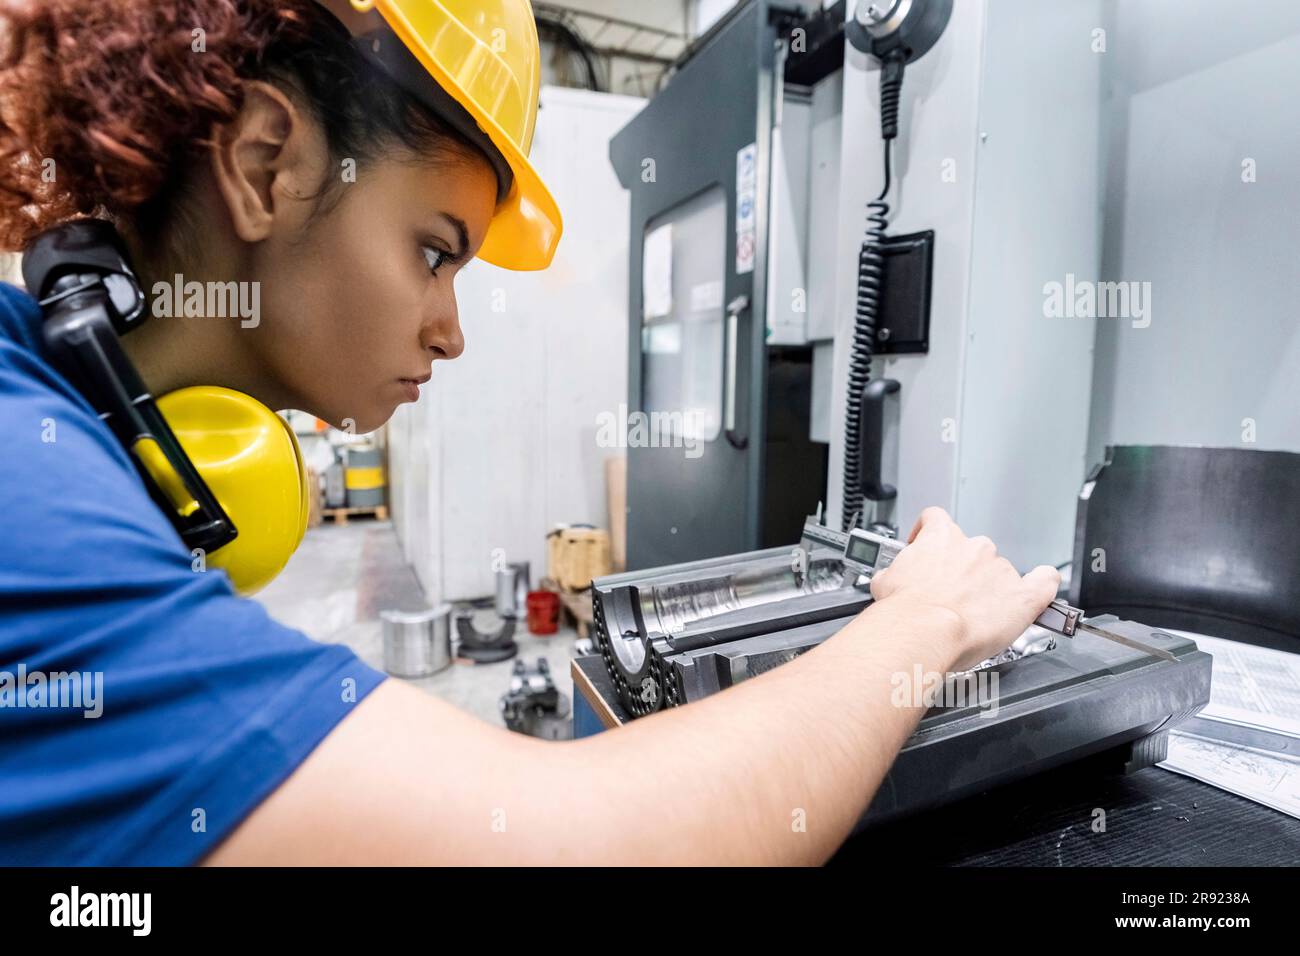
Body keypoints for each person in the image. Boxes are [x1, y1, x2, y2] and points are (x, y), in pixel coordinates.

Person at [0, 0, 1060, 865]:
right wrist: (918, 625)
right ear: (270, 161)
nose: (450, 331)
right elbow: (578, 848)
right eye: (433, 250)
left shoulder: (52, 405)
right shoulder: (29, 499)